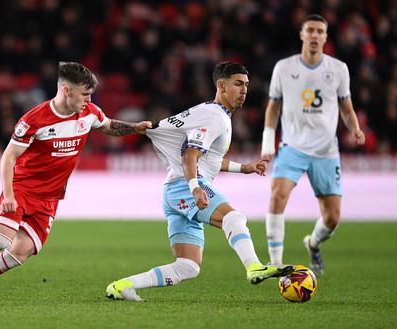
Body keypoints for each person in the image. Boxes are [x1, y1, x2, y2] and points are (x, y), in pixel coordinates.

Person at [0, 62, 152, 299]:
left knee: (19, 253)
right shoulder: (35, 120)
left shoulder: (89, 112)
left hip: (50, 196)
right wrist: (8, 195)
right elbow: (8, 157)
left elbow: (109, 126)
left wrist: (136, 128)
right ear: (66, 90)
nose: (89, 100)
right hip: (23, 188)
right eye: (85, 94)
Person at [106, 61, 295, 302]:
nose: (244, 90)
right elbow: (190, 154)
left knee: (188, 266)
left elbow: (209, 159)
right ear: (221, 85)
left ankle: (122, 285)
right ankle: (254, 266)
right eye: (238, 84)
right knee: (233, 218)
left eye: (246, 85)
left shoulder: (213, 114)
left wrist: (243, 168)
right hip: (185, 188)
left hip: (174, 190)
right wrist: (195, 188)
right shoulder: (214, 117)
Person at [260, 14, 365, 276]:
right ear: (302, 35)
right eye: (311, 30)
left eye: (320, 31)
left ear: (326, 38)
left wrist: (356, 130)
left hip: (325, 151)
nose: (315, 35)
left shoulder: (338, 69)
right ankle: (275, 264)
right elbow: (273, 106)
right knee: (277, 196)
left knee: (332, 218)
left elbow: (347, 108)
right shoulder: (284, 68)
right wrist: (267, 143)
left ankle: (314, 243)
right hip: (292, 147)